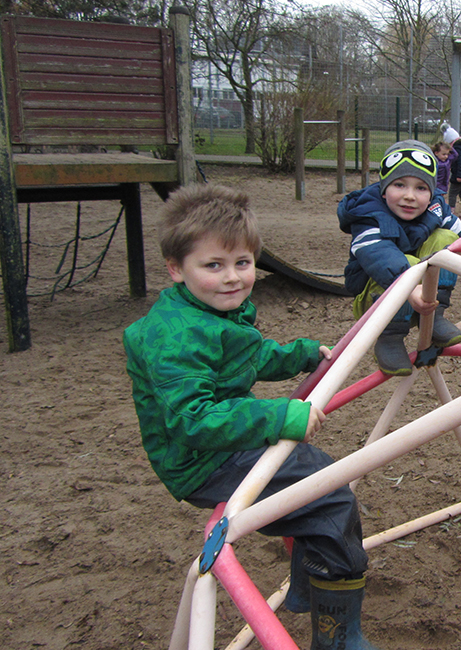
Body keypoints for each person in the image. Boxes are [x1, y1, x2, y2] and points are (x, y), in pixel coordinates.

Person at [123, 184, 380, 650]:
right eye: (213, 266)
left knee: (317, 478)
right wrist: (278, 414)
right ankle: (338, 637)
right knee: (331, 495)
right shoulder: (174, 338)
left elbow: (250, 356)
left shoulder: (212, 313)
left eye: (242, 263)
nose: (232, 278)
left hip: (220, 445)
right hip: (201, 460)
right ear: (176, 269)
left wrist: (302, 355)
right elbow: (192, 420)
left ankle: (308, 586)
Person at [338, 140, 461, 376]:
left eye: (421, 188)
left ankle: (433, 316)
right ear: (383, 188)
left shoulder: (436, 209)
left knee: (447, 238)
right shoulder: (368, 215)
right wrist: (410, 289)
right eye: (399, 185)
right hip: (377, 302)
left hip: (422, 294)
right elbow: (380, 256)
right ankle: (389, 338)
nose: (409, 196)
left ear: (432, 192)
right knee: (409, 264)